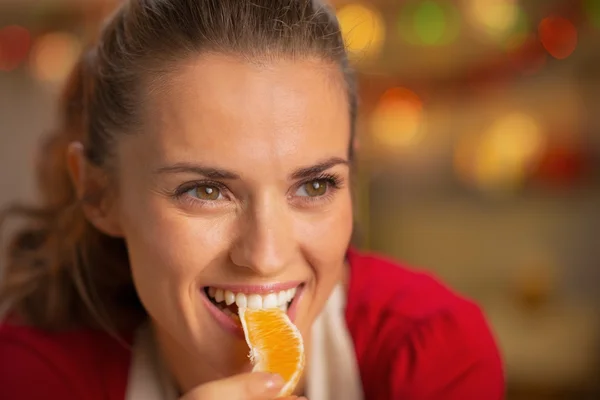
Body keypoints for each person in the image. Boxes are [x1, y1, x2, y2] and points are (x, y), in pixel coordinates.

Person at [0, 1, 504, 399]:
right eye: (205, 191)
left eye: (314, 185)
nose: (265, 256)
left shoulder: (432, 353)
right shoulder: (32, 375)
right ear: (98, 192)